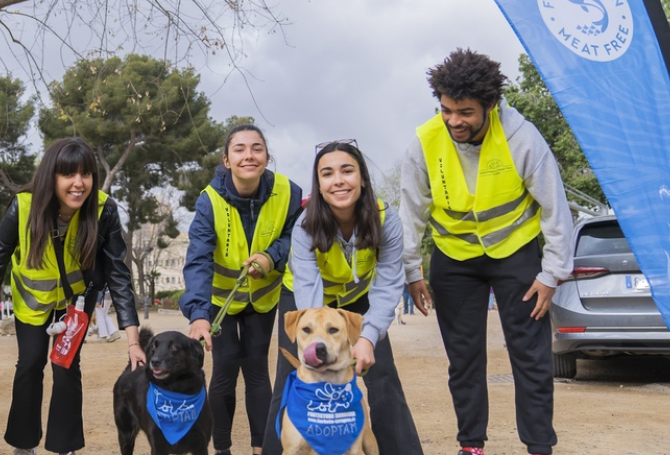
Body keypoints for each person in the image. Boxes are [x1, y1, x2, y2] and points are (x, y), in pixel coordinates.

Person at [400, 49, 573, 455]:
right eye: (446, 109)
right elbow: (411, 213)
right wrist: (412, 271)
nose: (454, 121)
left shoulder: (522, 137)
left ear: (490, 107)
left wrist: (552, 273)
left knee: (530, 356)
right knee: (464, 360)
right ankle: (471, 445)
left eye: (465, 112)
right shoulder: (424, 143)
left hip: (515, 255)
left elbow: (554, 207)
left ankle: (539, 446)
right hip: (454, 259)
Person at [0, 137, 145, 455]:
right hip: (32, 305)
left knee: (66, 367)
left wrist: (133, 341)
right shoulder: (24, 206)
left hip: (75, 304)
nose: (79, 184)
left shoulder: (104, 209)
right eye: (69, 174)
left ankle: (64, 446)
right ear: (51, 176)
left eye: (86, 174)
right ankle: (24, 444)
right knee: (30, 365)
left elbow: (118, 273)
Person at [262, 140, 423, 455]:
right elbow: (310, 295)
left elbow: (389, 282)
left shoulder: (385, 220)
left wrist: (367, 337)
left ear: (362, 178)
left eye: (347, 171)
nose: (338, 180)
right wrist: (318, 345)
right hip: (306, 301)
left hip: (358, 298)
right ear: (319, 186)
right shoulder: (305, 225)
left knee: (383, 375)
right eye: (327, 174)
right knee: (292, 376)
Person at [181, 124, 303, 455]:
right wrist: (199, 314)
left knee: (257, 369)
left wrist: (271, 256)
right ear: (226, 160)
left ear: (266, 156)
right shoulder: (209, 201)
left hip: (263, 299)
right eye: (239, 149)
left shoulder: (289, 192)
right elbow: (199, 260)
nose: (249, 155)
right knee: (224, 368)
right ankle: (222, 449)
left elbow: (297, 237)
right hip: (221, 300)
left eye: (257, 148)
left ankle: (260, 448)